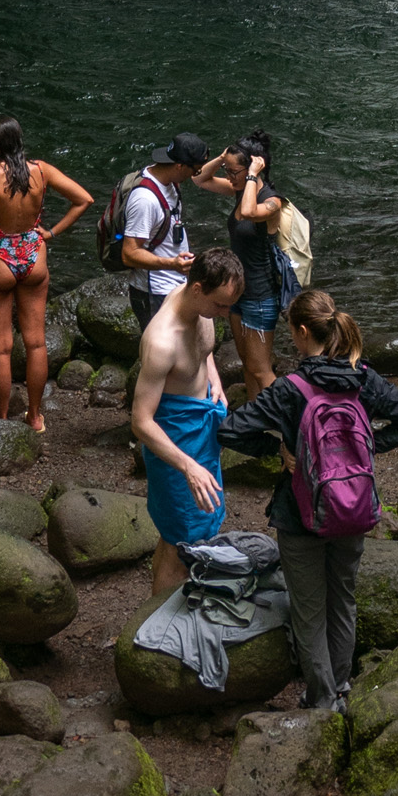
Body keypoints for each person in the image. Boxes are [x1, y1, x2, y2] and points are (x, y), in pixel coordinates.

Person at [218, 287, 398, 709]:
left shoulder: (290, 388)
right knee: (343, 599)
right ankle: (343, 686)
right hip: (352, 507)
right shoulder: (363, 378)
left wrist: (277, 451)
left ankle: (322, 698)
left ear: (300, 332)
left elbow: (230, 430)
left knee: (309, 608)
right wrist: (368, 447)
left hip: (301, 513)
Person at [0, 116, 94, 433]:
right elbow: (84, 200)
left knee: (0, 347)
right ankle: (35, 416)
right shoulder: (41, 171)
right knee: (36, 344)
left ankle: (0, 421)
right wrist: (50, 233)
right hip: (34, 255)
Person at [132, 243, 245, 594]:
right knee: (181, 538)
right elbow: (141, 421)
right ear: (198, 289)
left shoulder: (198, 304)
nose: (226, 313)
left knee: (185, 534)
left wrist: (215, 380)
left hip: (201, 426)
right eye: (220, 305)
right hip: (175, 440)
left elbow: (204, 352)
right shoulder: (162, 342)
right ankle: (159, 626)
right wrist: (188, 467)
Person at [196, 131, 287, 399]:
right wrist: (224, 157)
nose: (229, 177)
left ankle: (290, 423)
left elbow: (249, 212)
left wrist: (250, 175)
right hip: (238, 293)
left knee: (260, 369)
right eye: (228, 171)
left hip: (260, 295)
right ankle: (254, 421)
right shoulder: (239, 190)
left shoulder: (272, 201)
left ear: (253, 170)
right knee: (248, 365)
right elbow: (199, 178)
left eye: (233, 171)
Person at [119, 132, 224, 335]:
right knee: (162, 353)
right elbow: (129, 253)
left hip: (174, 283)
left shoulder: (169, 181)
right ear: (179, 166)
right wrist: (172, 263)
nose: (196, 174)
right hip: (154, 292)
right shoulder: (145, 200)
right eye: (195, 170)